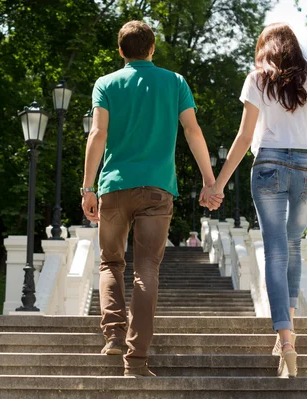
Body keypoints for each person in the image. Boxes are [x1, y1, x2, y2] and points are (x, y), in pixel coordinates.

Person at [81, 20, 221, 377]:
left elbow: (97, 134)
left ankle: (113, 336)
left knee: (111, 264)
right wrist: (210, 180)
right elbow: (192, 131)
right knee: (146, 270)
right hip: (158, 190)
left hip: (113, 187)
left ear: (120, 51)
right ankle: (136, 360)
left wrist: (88, 187)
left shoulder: (106, 83)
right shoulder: (174, 82)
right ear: (152, 48)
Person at [201, 22, 307, 377]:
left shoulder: (258, 78)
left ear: (265, 48)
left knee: (277, 250)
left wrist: (217, 185)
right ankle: (287, 331)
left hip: (270, 166)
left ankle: (287, 340)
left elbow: (245, 137)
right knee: (292, 245)